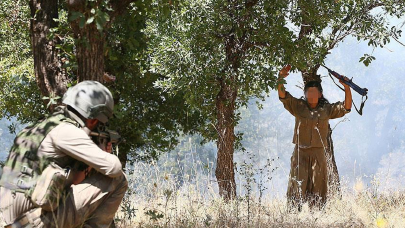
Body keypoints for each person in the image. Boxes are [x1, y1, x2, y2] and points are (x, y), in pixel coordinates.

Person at [0, 81, 128, 227]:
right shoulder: (67, 131)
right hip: (31, 221)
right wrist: (101, 153)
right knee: (118, 180)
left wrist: (91, 163)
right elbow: (115, 168)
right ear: (92, 120)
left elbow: (73, 181)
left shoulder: (38, 127)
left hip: (13, 219)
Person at [278, 65, 352, 210]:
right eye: (309, 93)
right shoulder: (298, 106)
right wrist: (280, 78)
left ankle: (317, 215)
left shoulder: (327, 109)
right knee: (297, 184)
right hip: (300, 153)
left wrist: (347, 88)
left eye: (314, 93)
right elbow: (283, 96)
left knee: (319, 185)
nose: (311, 96)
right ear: (305, 94)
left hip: (318, 153)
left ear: (320, 94)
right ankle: (293, 214)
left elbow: (346, 107)